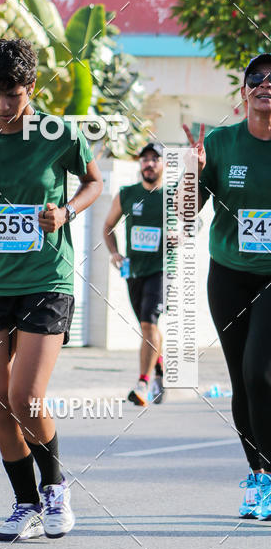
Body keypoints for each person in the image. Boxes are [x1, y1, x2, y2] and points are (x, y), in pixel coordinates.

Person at [0, 38, 103, 541]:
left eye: (11, 94)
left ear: (30, 87)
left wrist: (67, 212)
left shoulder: (59, 133)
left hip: (46, 281)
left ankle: (56, 488)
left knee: (26, 396)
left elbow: (94, 182)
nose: (3, 105)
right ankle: (25, 504)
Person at [183, 54, 271, 522]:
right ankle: (258, 477)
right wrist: (192, 173)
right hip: (229, 274)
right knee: (241, 379)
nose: (265, 84)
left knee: (261, 373)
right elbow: (183, 215)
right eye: (256, 78)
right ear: (243, 93)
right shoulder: (219, 144)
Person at [103, 142, 165, 406]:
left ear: (164, 164)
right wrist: (115, 253)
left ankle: (143, 383)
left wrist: (181, 233)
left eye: (155, 159)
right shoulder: (127, 193)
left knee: (149, 324)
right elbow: (108, 225)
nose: (149, 164)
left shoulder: (172, 195)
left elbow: (193, 221)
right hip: (134, 270)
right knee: (146, 326)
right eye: (145, 159)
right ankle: (160, 366)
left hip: (161, 270)